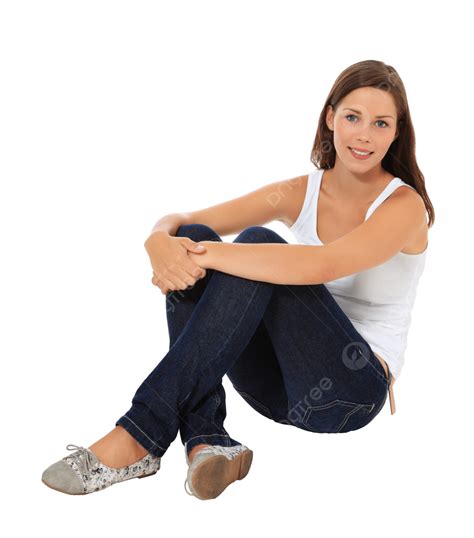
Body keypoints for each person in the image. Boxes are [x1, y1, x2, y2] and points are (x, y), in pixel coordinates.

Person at [41, 59, 435, 500]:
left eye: (381, 123)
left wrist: (202, 257)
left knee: (254, 243)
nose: (364, 134)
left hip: (350, 391)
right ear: (330, 118)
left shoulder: (403, 206)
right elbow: (186, 221)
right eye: (352, 117)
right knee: (196, 237)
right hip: (275, 391)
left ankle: (141, 432)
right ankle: (210, 442)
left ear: (396, 132)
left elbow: (323, 265)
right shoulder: (300, 192)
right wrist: (158, 240)